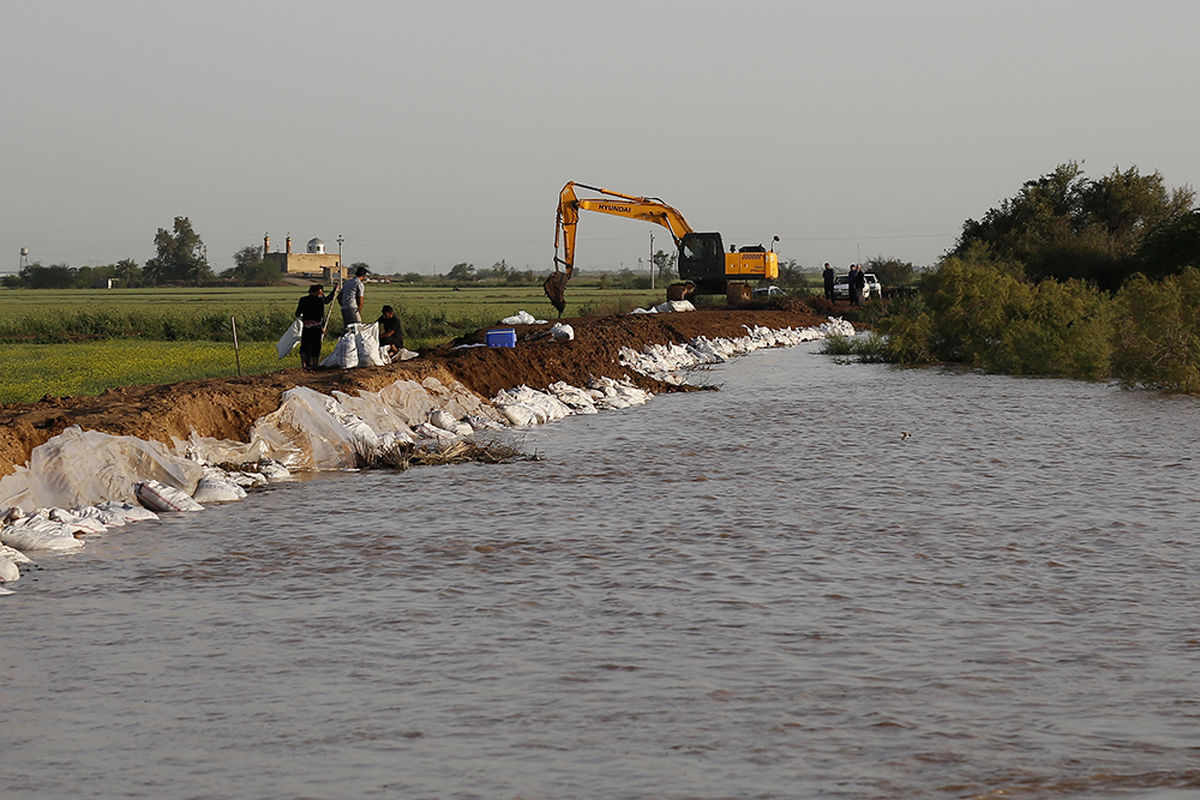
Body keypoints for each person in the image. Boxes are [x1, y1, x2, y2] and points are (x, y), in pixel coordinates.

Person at [294, 283, 335, 369]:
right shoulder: (319, 301)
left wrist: (304, 320)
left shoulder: (303, 300)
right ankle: (315, 364)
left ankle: (304, 365)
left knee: (304, 346)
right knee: (316, 346)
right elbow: (321, 315)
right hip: (316, 327)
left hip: (306, 326)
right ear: (317, 292)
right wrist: (322, 327)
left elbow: (297, 313)